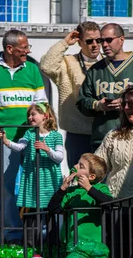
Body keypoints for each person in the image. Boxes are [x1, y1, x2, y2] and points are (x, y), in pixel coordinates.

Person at [0, 29, 47, 244]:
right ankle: (13, 234)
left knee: (37, 184)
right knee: (6, 186)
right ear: (9, 49)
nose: (27, 51)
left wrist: (39, 121)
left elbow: (42, 103)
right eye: (24, 48)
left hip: (32, 138)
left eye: (28, 48)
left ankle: (36, 233)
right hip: (2, 139)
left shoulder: (32, 69)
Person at [77, 23, 133, 149]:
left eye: (109, 40)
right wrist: (98, 105)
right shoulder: (95, 70)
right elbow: (82, 101)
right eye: (101, 41)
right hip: (101, 140)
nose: (104, 45)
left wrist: (129, 102)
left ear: (121, 39)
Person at [40, 22, 102, 168]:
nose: (95, 45)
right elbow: (46, 66)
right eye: (89, 41)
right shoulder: (68, 62)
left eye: (98, 40)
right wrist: (64, 43)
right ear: (79, 42)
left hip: (103, 131)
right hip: (77, 134)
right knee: (77, 178)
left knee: (102, 180)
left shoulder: (107, 63)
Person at [0, 103, 63, 209]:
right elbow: (19, 147)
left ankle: (50, 225)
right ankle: (32, 225)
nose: (29, 117)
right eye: (28, 115)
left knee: (50, 208)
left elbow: (59, 157)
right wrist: (5, 141)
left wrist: (47, 149)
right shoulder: (29, 133)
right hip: (32, 176)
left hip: (49, 177)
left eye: (33, 114)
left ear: (45, 116)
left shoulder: (56, 136)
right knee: (33, 207)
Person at [94, 86, 133, 199]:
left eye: (131, 104)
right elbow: (96, 166)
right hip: (114, 204)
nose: (126, 108)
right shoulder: (113, 135)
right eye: (124, 104)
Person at [47, 153, 112, 254]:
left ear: (91, 176)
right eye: (77, 163)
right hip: (72, 243)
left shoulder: (100, 188)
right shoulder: (71, 191)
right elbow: (53, 209)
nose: (75, 166)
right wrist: (63, 188)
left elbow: (109, 203)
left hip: (92, 243)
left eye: (81, 166)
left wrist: (88, 187)